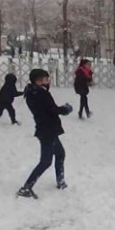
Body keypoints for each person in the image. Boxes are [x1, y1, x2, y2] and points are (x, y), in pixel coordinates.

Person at [17, 69, 73, 199]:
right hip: (47, 130)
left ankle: (61, 181)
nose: (48, 81)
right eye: (46, 79)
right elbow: (51, 110)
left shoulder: (32, 92)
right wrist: (65, 109)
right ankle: (26, 188)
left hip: (47, 129)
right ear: (38, 80)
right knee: (46, 161)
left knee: (60, 154)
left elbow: (47, 109)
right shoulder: (40, 94)